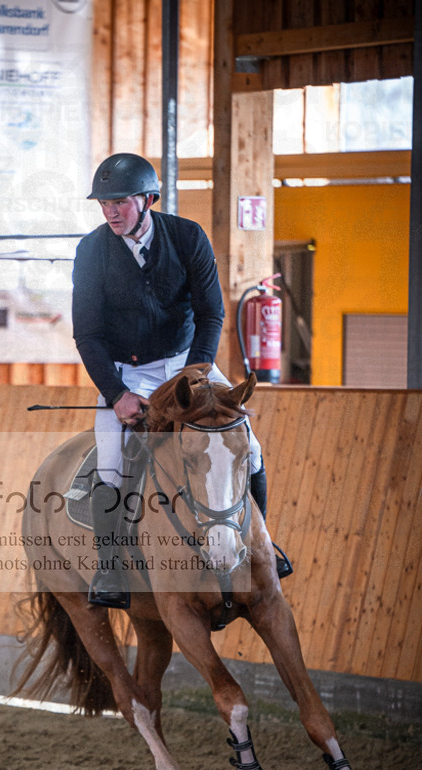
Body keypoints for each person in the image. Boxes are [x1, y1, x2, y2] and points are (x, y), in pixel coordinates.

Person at [72, 152, 291, 608]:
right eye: (105, 203)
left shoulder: (188, 237)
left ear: (148, 200)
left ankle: (262, 546)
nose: (111, 211)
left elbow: (212, 313)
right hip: (129, 373)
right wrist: (116, 394)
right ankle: (109, 568)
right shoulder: (91, 251)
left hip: (187, 364)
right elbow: (87, 334)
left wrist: (194, 375)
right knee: (110, 463)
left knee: (249, 446)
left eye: (120, 201)